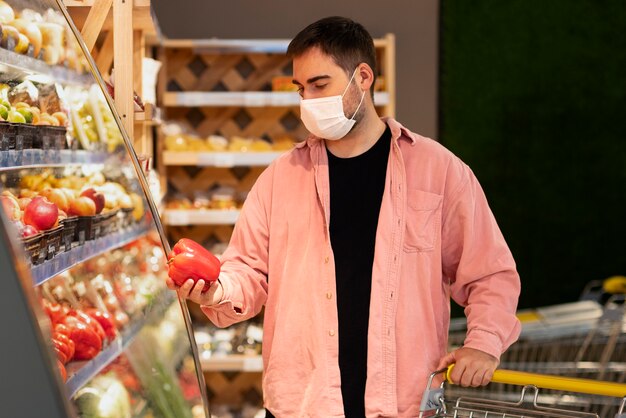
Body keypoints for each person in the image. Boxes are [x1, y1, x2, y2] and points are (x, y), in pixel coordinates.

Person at [167, 16, 521, 418]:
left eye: (320, 85)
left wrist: (482, 342)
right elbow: (247, 270)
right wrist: (217, 290)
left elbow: (489, 273)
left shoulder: (439, 171)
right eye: (301, 89)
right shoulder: (280, 179)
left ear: (363, 77)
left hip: (404, 403)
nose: (309, 101)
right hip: (304, 404)